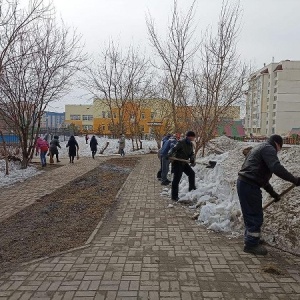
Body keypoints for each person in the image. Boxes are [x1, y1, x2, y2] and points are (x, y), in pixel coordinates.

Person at [237, 134, 300, 256]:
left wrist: (273, 194)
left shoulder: (260, 147)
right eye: (280, 149)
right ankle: (251, 244)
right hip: (249, 185)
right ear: (278, 144)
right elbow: (276, 167)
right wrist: (294, 180)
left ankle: (252, 239)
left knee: (251, 214)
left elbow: (262, 178)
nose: (278, 151)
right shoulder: (269, 149)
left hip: (246, 183)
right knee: (255, 216)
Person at [167, 131, 196, 201]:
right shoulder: (181, 142)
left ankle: (192, 189)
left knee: (192, 174)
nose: (194, 138)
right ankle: (174, 196)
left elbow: (191, 153)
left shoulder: (190, 144)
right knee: (176, 180)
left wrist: (192, 158)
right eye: (193, 137)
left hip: (184, 163)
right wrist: (169, 154)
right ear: (190, 136)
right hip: (178, 163)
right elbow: (173, 149)